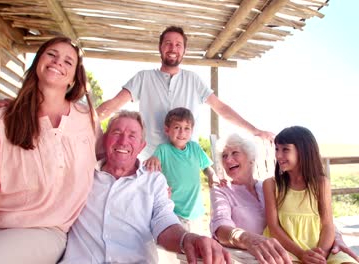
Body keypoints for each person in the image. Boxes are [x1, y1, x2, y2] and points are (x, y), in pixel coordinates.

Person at [0, 37, 98, 263]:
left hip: (41, 230)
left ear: (74, 78)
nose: (57, 62)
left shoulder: (86, 121)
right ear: (37, 63)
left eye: (68, 61)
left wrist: (151, 178)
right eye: (51, 54)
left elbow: (112, 157)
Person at [60, 110, 231, 264]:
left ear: (142, 146)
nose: (123, 141)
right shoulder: (82, 174)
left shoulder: (154, 181)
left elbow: (164, 221)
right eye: (117, 132)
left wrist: (186, 238)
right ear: (105, 140)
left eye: (132, 136)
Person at [96, 26, 275, 160]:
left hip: (185, 162)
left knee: (185, 211)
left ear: (184, 51)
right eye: (168, 43)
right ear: (160, 48)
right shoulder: (144, 78)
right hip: (150, 162)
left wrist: (255, 131)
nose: (173, 48)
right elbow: (114, 104)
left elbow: (221, 108)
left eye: (178, 45)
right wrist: (86, 121)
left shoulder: (193, 80)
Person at [210, 133, 359, 264]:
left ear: (251, 158)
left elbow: (315, 217)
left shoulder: (272, 187)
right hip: (263, 257)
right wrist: (246, 238)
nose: (228, 160)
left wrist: (337, 238)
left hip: (300, 249)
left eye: (234, 153)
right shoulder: (222, 190)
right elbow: (221, 229)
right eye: (224, 156)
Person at [263, 126, 358, 264]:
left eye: (285, 149)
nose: (278, 155)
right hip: (288, 250)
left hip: (320, 248)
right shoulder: (271, 184)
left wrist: (321, 253)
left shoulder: (321, 183)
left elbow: (327, 225)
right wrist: (301, 254)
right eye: (277, 149)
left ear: (303, 151)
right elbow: (274, 227)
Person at [145, 107, 223, 234]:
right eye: (177, 127)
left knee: (198, 247)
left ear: (191, 131)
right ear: (167, 130)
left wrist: (211, 175)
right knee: (180, 248)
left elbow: (206, 167)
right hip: (174, 212)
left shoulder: (195, 148)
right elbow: (154, 165)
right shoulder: (163, 150)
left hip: (196, 212)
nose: (182, 132)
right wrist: (153, 159)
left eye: (187, 128)